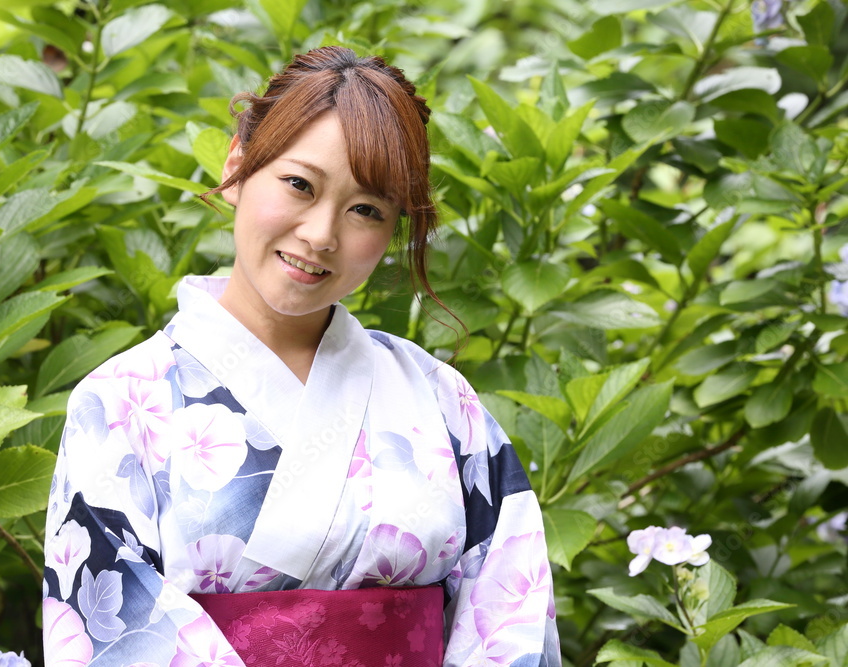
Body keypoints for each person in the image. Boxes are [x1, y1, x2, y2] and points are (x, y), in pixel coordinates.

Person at [42, 46, 560, 666]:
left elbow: (510, 619)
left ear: (394, 229)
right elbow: (109, 637)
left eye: (366, 210)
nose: (320, 234)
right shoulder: (122, 402)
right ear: (238, 164)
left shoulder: (442, 400)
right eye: (299, 185)